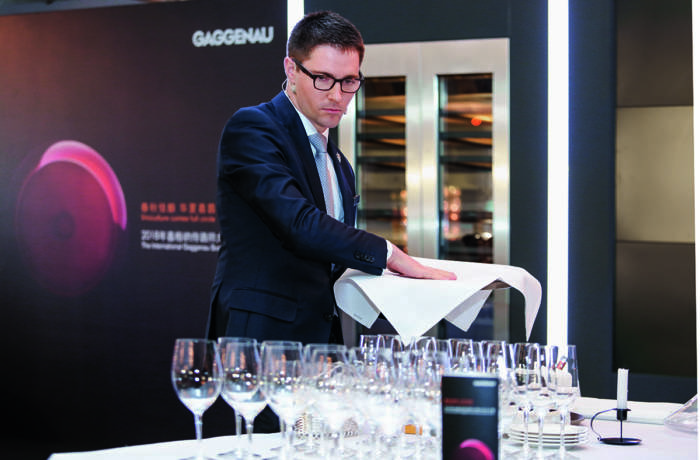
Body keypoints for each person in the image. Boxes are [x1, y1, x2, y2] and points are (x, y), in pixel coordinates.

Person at [206, 10, 455, 431]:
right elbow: (299, 224)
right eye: (322, 78)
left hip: (320, 347)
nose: (337, 95)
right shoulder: (254, 128)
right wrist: (391, 255)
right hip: (261, 340)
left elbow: (329, 257)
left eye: (349, 81)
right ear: (291, 68)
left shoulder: (337, 161)